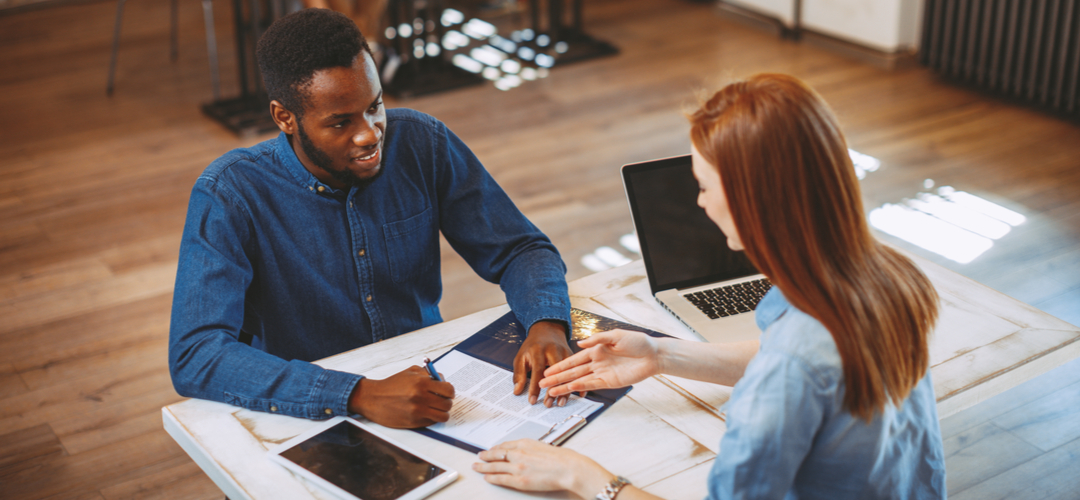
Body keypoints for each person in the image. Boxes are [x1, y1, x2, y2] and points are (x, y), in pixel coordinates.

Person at [473, 74, 947, 499]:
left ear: (750, 199)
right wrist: (660, 355)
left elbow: (793, 369)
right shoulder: (881, 274)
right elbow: (798, 363)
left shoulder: (793, 364)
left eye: (703, 185)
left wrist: (584, 478)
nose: (699, 203)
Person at [168, 8, 574, 430]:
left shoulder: (421, 142)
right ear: (284, 117)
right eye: (341, 122)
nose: (369, 133)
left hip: (428, 389)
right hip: (308, 410)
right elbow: (196, 353)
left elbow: (520, 247)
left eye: (375, 105)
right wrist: (358, 395)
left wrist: (546, 322)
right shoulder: (230, 193)